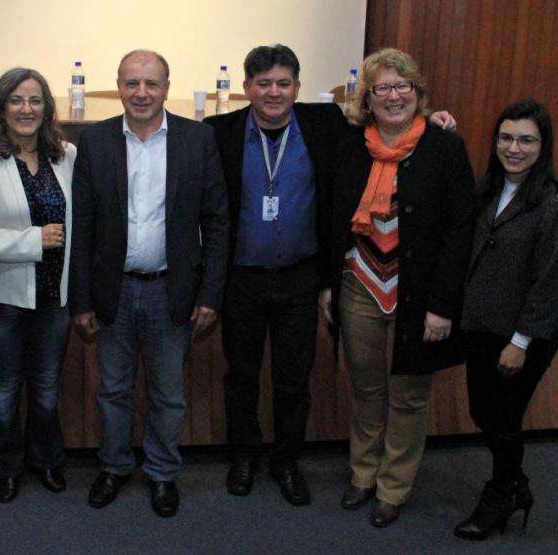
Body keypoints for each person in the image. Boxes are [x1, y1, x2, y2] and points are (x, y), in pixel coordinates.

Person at [203, 44, 457, 506]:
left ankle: (285, 461)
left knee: (293, 378)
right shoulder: (217, 132)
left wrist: (433, 117)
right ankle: (243, 457)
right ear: (247, 89)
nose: (274, 92)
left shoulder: (325, 125)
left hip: (302, 277)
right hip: (240, 278)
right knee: (241, 373)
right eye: (263, 84)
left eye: (283, 83)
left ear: (298, 87)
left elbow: (391, 124)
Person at [70, 49, 229, 517]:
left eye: (151, 84)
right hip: (112, 290)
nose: (141, 93)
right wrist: (81, 299)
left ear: (166, 87)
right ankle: (114, 467)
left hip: (171, 290)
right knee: (113, 390)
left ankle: (162, 473)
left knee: (167, 394)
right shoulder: (94, 141)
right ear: (117, 86)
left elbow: (217, 222)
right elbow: (82, 226)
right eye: (132, 83)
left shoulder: (197, 140)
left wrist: (210, 294)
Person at [320, 47, 474, 527]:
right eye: (381, 88)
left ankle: (393, 486)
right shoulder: (349, 144)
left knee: (408, 393)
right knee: (366, 390)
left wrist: (443, 306)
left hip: (418, 294)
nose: (393, 96)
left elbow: (460, 230)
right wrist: (328, 285)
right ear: (367, 98)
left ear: (417, 91)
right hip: (359, 284)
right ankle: (363, 475)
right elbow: (331, 219)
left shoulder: (445, 147)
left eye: (401, 86)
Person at [454, 100, 558, 540]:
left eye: (526, 140)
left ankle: (499, 492)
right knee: (482, 412)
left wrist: (521, 342)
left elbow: (548, 280)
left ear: (542, 146)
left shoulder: (553, 205)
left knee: (503, 418)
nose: (514, 147)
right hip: (483, 326)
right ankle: (517, 485)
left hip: (524, 336)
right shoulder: (487, 190)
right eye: (506, 137)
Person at [0, 68, 76, 504]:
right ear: (1, 106)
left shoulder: (67, 156)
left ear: (47, 108)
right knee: (4, 389)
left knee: (46, 387)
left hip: (53, 297)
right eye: (17, 100)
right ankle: (6, 468)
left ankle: (46, 461)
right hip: (1, 298)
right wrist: (33, 240)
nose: (27, 109)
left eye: (36, 100)